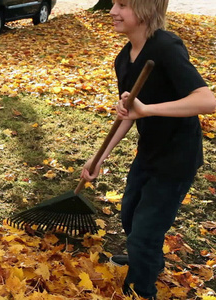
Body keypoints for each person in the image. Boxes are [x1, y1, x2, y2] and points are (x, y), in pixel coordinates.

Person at [80, 0, 216, 299]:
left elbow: (207, 100)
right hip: (148, 153)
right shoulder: (124, 60)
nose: (113, 10)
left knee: (144, 232)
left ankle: (140, 290)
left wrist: (148, 109)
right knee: (130, 216)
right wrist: (99, 157)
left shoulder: (166, 47)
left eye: (123, 4)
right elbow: (129, 114)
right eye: (113, 2)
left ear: (146, 10)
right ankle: (147, 259)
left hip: (177, 159)